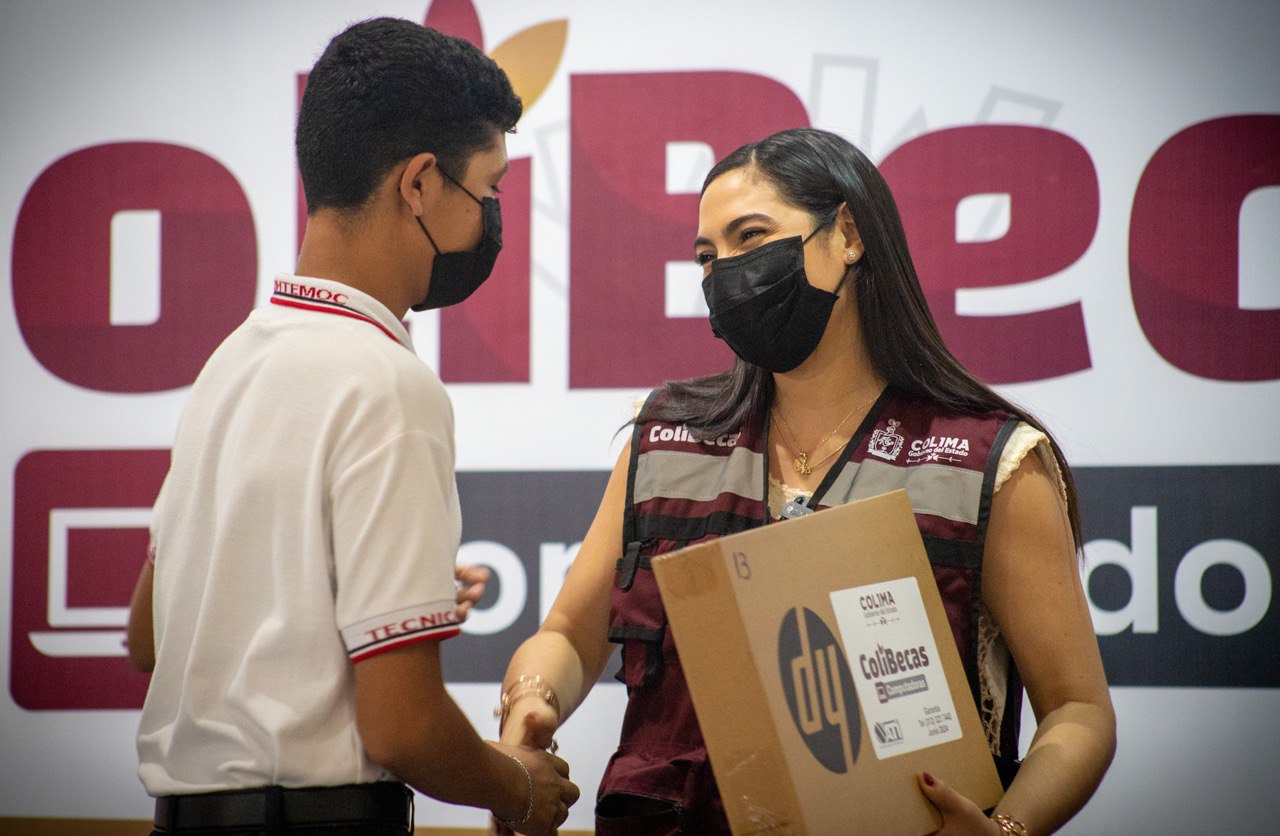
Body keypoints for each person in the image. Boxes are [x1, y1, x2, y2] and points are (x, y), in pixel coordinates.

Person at [496, 128, 1115, 834]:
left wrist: (1006, 830)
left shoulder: (987, 460)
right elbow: (569, 635)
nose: (726, 272)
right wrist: (534, 697)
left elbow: (1078, 712)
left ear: (847, 234)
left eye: (751, 236)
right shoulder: (666, 435)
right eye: (707, 256)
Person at [125, 18, 578, 835]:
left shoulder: (231, 361)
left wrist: (322, 592)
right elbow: (402, 728)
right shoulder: (387, 382)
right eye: (491, 190)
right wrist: (517, 786)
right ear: (420, 184)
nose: (491, 217)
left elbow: (150, 637)